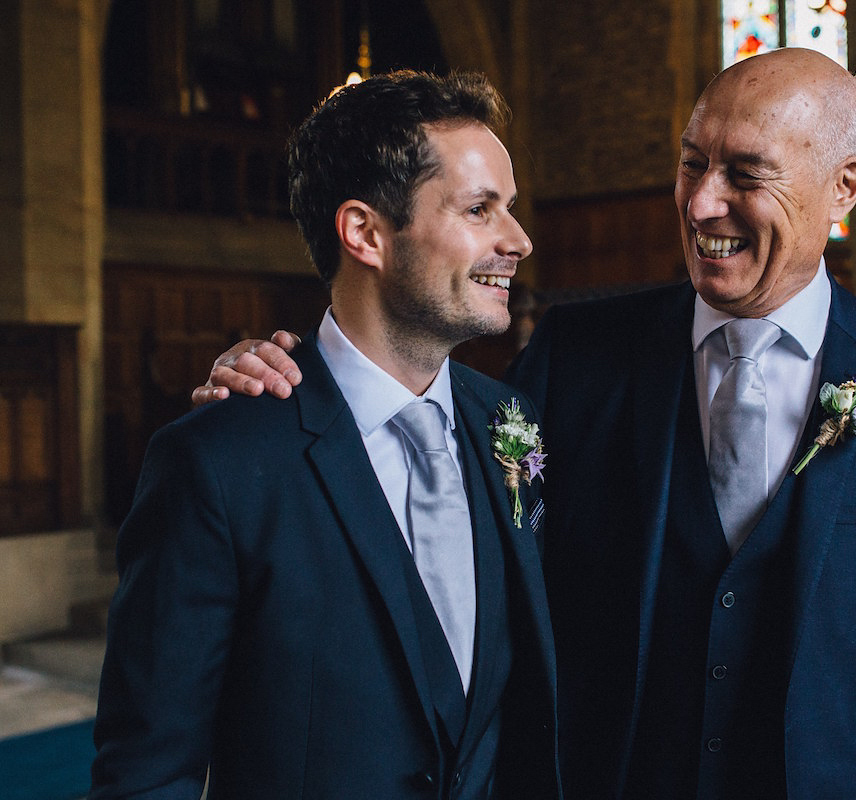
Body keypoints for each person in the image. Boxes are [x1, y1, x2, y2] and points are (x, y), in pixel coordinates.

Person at [196, 48, 856, 799]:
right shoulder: (575, 359)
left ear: (846, 186)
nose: (702, 201)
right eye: (691, 164)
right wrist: (290, 377)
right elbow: (425, 471)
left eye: (746, 174)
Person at [92, 70, 560, 799]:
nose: (519, 240)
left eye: (512, 210)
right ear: (365, 233)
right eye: (480, 209)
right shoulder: (216, 462)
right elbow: (147, 775)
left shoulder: (512, 423)